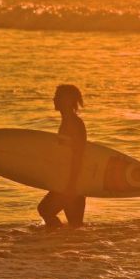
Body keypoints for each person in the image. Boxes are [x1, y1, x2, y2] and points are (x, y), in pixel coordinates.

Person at [37, 84, 87, 229]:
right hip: (71, 183)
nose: (54, 99)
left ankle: (53, 238)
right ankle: (59, 242)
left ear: (67, 100)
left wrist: (71, 184)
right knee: (75, 228)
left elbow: (78, 155)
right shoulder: (68, 121)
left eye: (57, 96)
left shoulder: (74, 123)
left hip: (70, 184)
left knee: (45, 210)